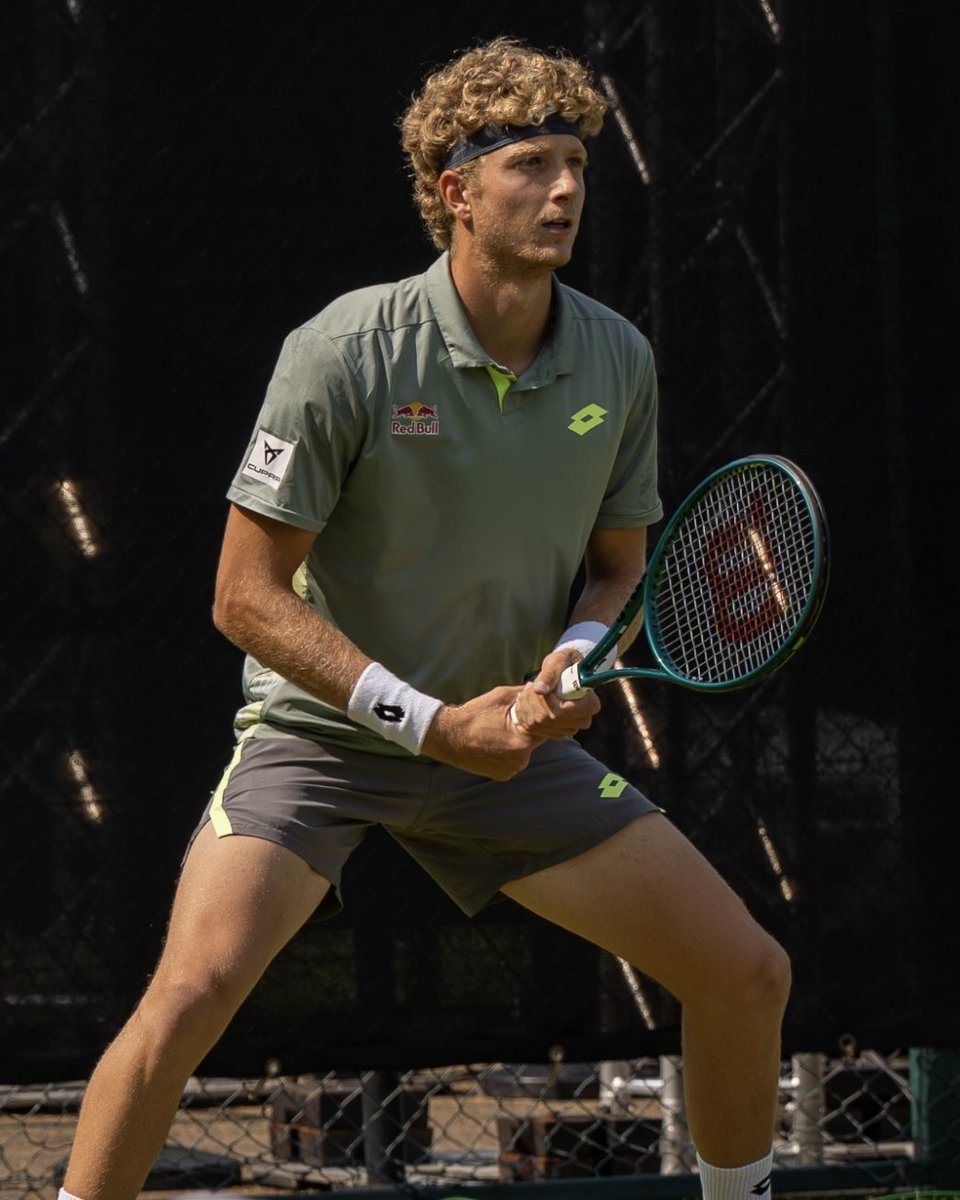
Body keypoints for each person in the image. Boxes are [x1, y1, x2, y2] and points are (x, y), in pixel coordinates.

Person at [59, 35, 789, 1200]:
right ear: (457, 192)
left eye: (577, 165)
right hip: (326, 740)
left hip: (506, 751)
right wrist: (431, 724)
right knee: (190, 995)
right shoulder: (343, 352)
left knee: (746, 972)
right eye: (531, 165)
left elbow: (617, 571)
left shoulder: (619, 360)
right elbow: (243, 597)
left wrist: (568, 660)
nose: (564, 189)